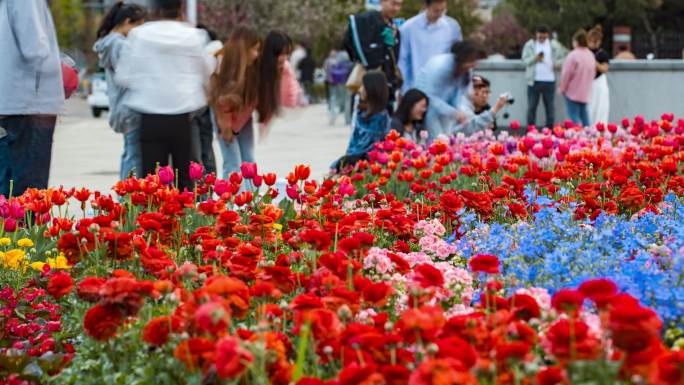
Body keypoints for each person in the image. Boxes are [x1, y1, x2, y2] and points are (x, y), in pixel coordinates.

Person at [116, 0, 215, 191]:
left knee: (152, 184)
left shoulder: (139, 36)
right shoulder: (193, 36)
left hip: (149, 117)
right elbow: (206, 70)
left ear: (154, 9)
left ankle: (153, 220)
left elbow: (123, 76)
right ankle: (183, 220)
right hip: (183, 117)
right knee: (185, 183)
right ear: (180, 9)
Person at [0, 0, 65, 197]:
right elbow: (35, 49)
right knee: (29, 191)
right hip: (31, 102)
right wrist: (62, 70)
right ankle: (24, 228)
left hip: (10, 101)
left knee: (8, 182)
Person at [93, 2, 146, 181]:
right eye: (137, 26)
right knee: (134, 157)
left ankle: (124, 198)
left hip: (121, 108)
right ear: (126, 22)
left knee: (129, 154)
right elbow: (132, 76)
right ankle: (126, 199)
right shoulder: (120, 45)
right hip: (130, 108)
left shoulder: (108, 43)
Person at [210, 27, 261, 179]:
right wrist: (225, 126)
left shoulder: (251, 68)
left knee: (249, 162)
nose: (256, 54)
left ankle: (250, 200)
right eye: (254, 49)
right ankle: (232, 201)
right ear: (243, 49)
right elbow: (221, 101)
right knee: (233, 164)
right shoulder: (224, 63)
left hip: (242, 118)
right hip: (224, 118)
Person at [343, 0, 403, 110]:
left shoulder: (393, 26)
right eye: (393, 3)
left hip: (388, 87)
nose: (396, 8)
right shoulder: (366, 20)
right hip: (368, 87)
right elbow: (349, 42)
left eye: (399, 4)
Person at [414, 40, 480, 140]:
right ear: (462, 59)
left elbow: (459, 92)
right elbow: (430, 97)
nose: (474, 64)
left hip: (446, 105)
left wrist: (457, 111)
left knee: (447, 138)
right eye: (471, 61)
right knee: (437, 140)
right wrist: (454, 113)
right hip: (427, 103)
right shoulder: (440, 67)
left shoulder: (466, 70)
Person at [398, 0, 462, 93]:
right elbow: (402, 61)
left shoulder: (452, 27)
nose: (440, 14)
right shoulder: (408, 28)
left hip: (443, 88)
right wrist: (404, 90)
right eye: (436, 10)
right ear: (426, 6)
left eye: (443, 10)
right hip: (417, 89)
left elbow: (458, 57)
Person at [332, 71, 391, 172]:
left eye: (363, 86)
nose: (360, 90)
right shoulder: (363, 113)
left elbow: (364, 151)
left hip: (367, 171)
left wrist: (342, 163)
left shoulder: (379, 120)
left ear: (372, 89)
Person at [191, 24, 222, 176]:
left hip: (195, 108)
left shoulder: (208, 53)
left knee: (197, 152)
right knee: (207, 150)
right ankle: (208, 190)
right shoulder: (218, 52)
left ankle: (202, 191)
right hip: (207, 107)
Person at [522, 25, 567, 129]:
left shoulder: (554, 45)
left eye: (544, 37)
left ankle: (549, 131)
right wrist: (535, 58)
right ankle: (531, 130)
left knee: (550, 108)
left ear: (548, 36)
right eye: (540, 37)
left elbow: (564, 57)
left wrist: (556, 64)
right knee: (532, 107)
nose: (542, 39)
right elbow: (524, 60)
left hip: (549, 81)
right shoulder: (530, 45)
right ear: (536, 35)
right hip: (533, 81)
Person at [560, 29, 596, 127]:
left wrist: (562, 88)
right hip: (585, 91)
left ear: (576, 41)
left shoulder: (573, 55)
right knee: (584, 115)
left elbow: (566, 74)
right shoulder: (591, 55)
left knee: (573, 115)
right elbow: (593, 73)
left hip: (572, 91)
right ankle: (588, 135)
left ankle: (578, 136)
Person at [587, 26, 610, 125]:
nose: (592, 44)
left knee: (600, 107)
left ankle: (600, 126)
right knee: (589, 108)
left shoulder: (602, 54)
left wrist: (594, 62)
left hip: (599, 82)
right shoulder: (585, 52)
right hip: (588, 82)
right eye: (591, 41)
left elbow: (605, 69)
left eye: (595, 41)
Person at [326, 51, 354, 126]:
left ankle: (332, 119)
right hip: (347, 84)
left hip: (336, 84)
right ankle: (347, 119)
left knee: (334, 100)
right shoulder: (350, 64)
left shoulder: (335, 64)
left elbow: (330, 75)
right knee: (347, 101)